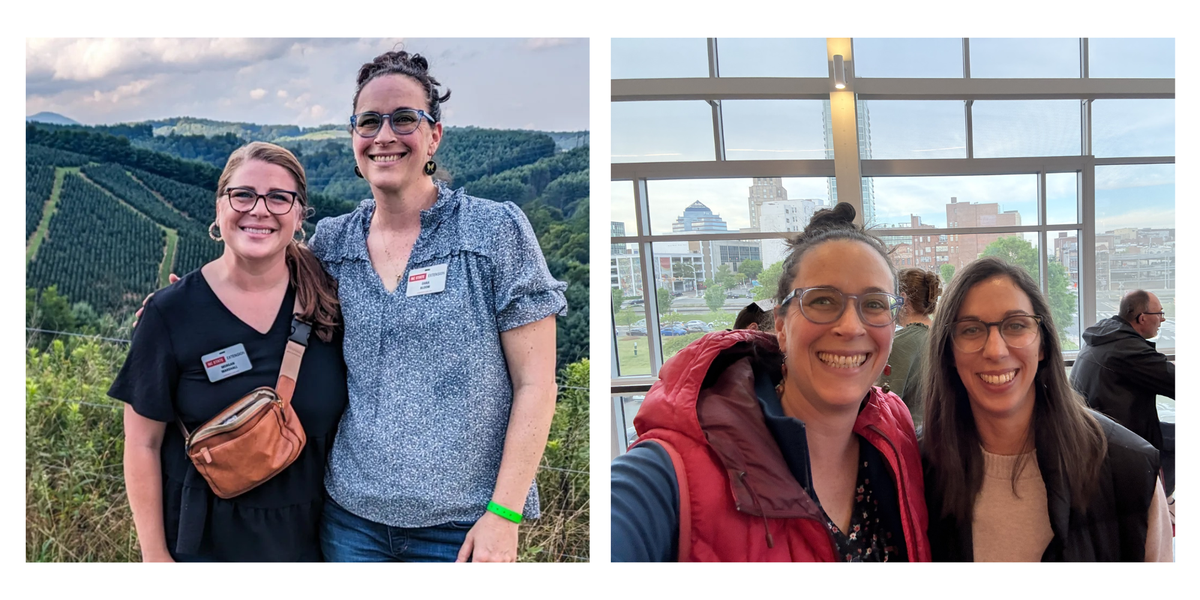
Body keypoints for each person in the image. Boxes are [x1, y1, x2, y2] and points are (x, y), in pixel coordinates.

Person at [308, 50, 566, 562]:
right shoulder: (332, 243)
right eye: (368, 121)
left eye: (404, 118)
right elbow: (265, 301)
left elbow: (536, 384)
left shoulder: (493, 231)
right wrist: (186, 307)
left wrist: (505, 514)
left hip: (464, 528)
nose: (384, 135)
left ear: (434, 135)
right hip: (350, 521)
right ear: (354, 138)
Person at [611, 203, 930, 562]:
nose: (851, 327)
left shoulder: (894, 433)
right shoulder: (676, 470)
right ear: (780, 325)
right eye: (822, 300)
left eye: (874, 304)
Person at [112, 142, 348, 561]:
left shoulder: (329, 306)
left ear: (299, 215)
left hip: (316, 543)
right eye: (243, 194)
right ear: (219, 209)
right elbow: (141, 444)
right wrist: (154, 558)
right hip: (203, 545)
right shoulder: (171, 313)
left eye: (279, 197)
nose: (259, 209)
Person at [921, 258, 1171, 561]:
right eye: (971, 330)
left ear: (1042, 344)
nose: (996, 351)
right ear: (948, 351)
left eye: (1016, 325)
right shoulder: (917, 469)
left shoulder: (1128, 469)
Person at [1070, 290, 1174, 461]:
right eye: (1160, 313)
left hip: (1097, 435)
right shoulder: (1128, 349)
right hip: (1120, 446)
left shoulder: (1105, 334)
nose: (1162, 319)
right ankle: (1155, 486)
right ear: (1142, 318)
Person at [876, 268, 940, 430]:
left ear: (902, 299)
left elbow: (881, 407)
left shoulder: (899, 344)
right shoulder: (941, 337)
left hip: (905, 438)